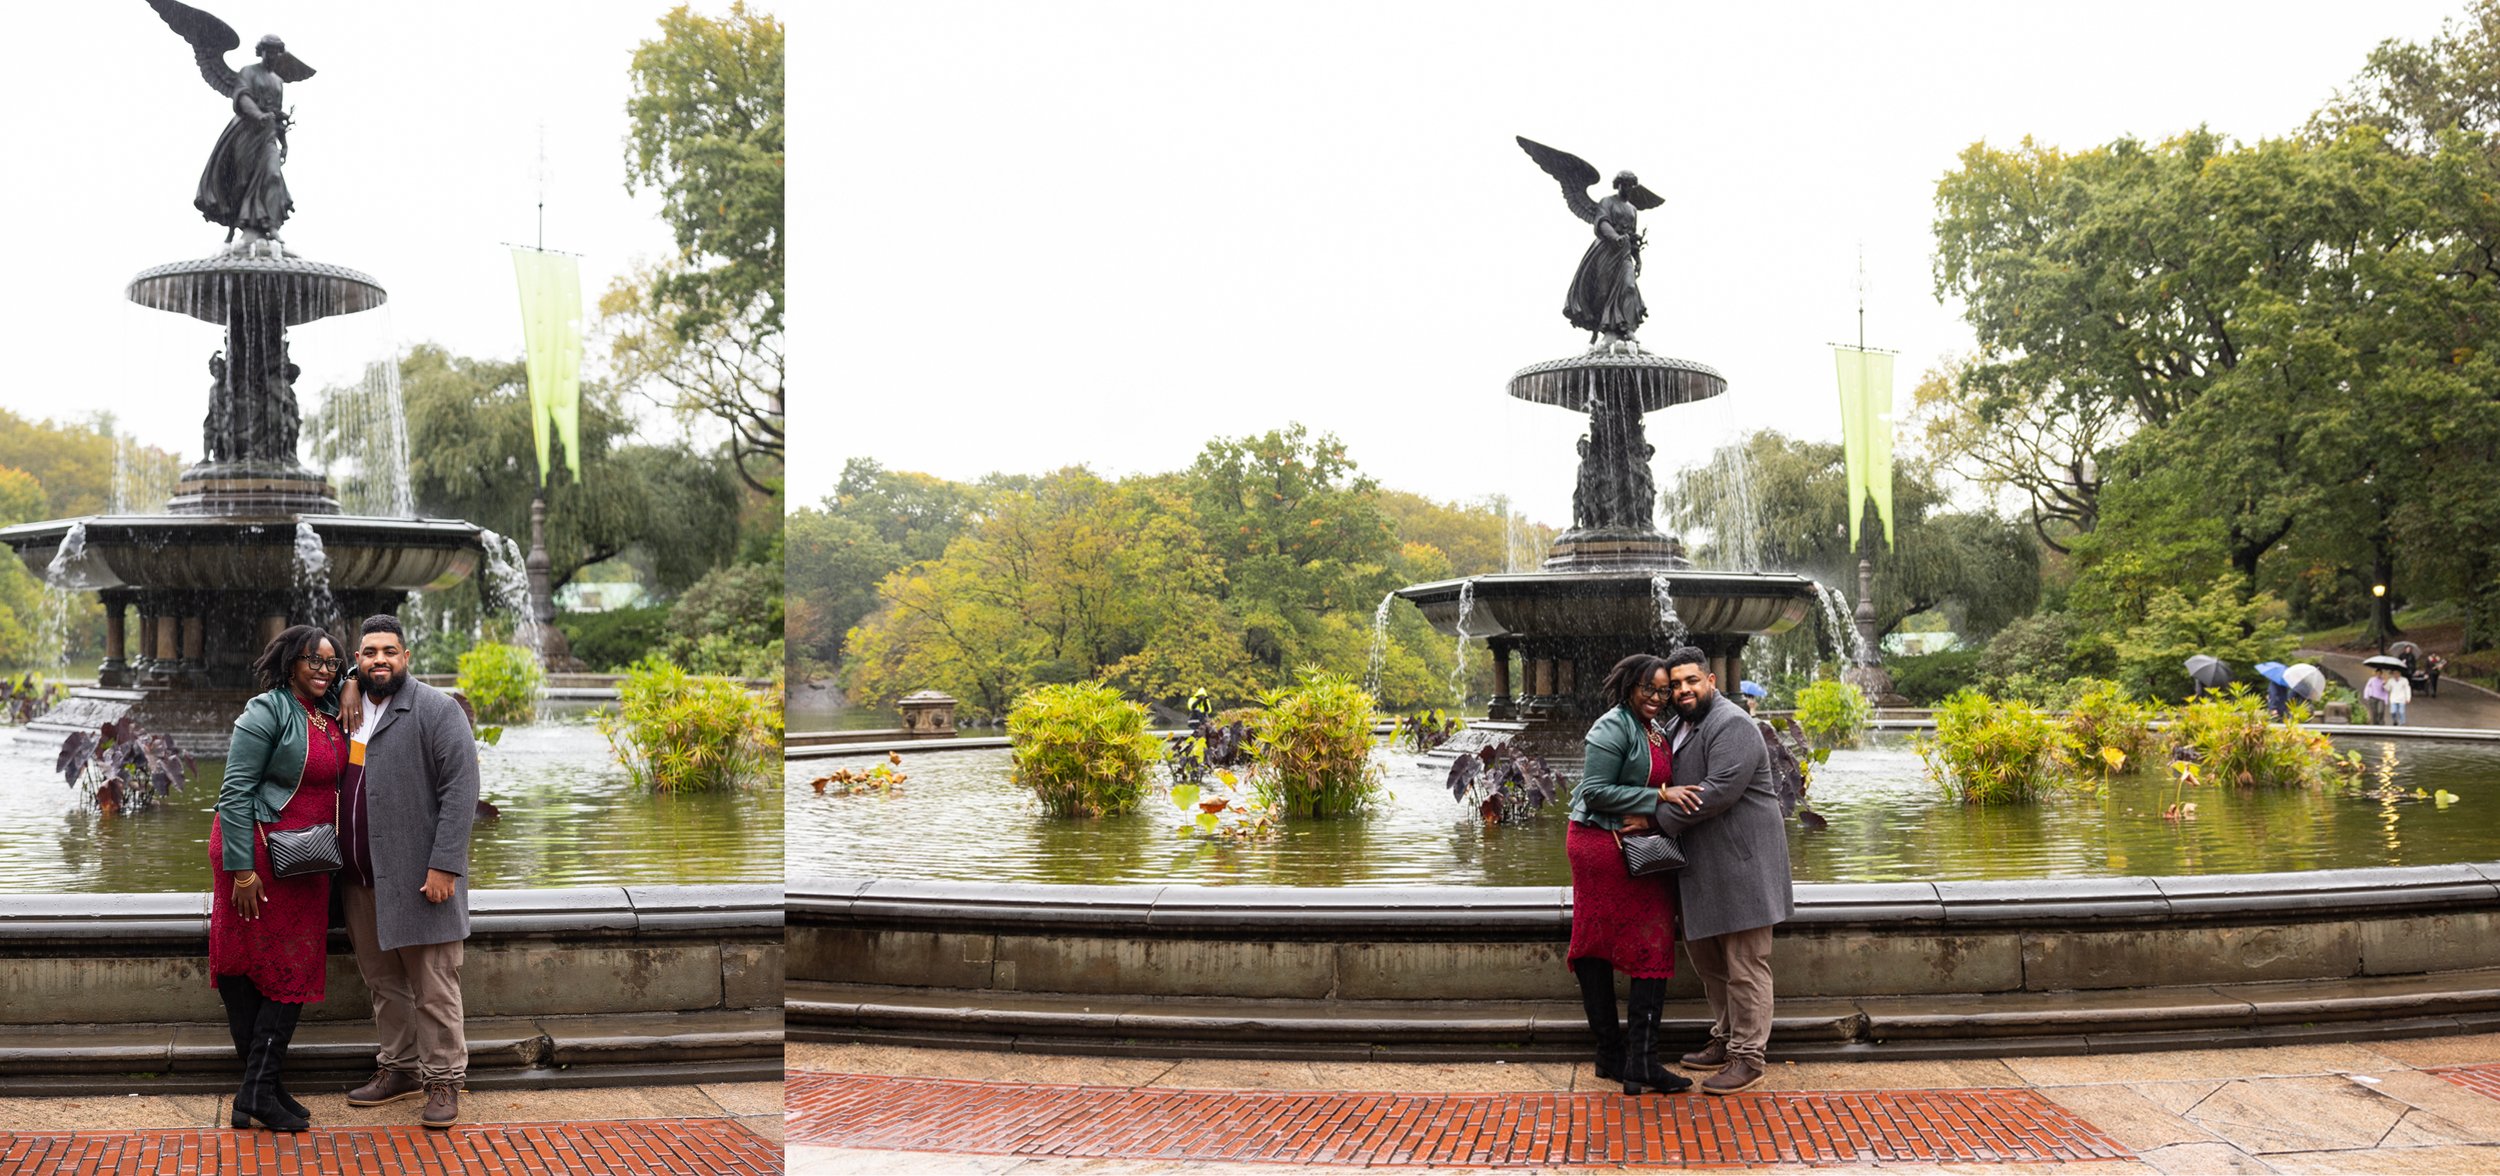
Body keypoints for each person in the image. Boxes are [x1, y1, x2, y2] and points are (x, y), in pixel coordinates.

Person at [338, 615, 480, 1130]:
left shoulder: (436, 711)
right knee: (383, 983)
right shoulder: (349, 710)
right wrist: (347, 686)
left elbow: (461, 792)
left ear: (406, 657)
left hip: (422, 880)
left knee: (434, 982)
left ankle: (443, 1079)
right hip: (360, 880)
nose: (380, 660)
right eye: (369, 652)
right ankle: (397, 1068)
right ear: (357, 660)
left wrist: (445, 865)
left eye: (389, 651)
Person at [212, 624, 348, 1132]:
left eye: (331, 663)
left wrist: (350, 682)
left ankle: (258, 1090)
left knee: (292, 970)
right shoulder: (266, 711)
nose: (323, 669)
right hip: (259, 856)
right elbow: (234, 791)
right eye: (314, 660)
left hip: (307, 861)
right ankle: (259, 1091)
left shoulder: (329, 710)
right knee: (257, 969)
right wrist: (242, 869)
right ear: (291, 662)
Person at [1651, 646, 1795, 1095]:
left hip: (1743, 866)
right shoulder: (1681, 723)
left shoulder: (1732, 724)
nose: (1683, 690)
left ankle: (1749, 1058)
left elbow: (1712, 795)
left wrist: (1651, 817)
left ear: (1711, 681)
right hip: (1704, 866)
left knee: (1745, 964)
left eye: (1691, 681)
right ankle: (1727, 1038)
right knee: (1711, 963)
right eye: (1675, 684)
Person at [1563, 653, 1691, 1096]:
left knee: (1647, 941)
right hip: (1602, 846)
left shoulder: (1653, 725)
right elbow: (1594, 792)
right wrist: (1658, 796)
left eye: (1662, 690)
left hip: (1633, 843)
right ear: (1628, 687)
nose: (1657, 697)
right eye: (1647, 689)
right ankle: (1625, 1059)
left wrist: (1655, 810)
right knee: (1616, 943)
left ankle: (1627, 1060)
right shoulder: (1611, 726)